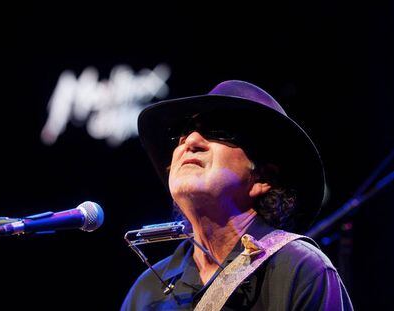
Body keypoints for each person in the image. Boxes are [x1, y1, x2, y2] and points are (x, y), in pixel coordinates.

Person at [121, 80, 353, 310]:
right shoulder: (146, 292)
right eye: (181, 133)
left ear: (263, 178)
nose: (190, 141)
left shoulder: (300, 270)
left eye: (217, 131)